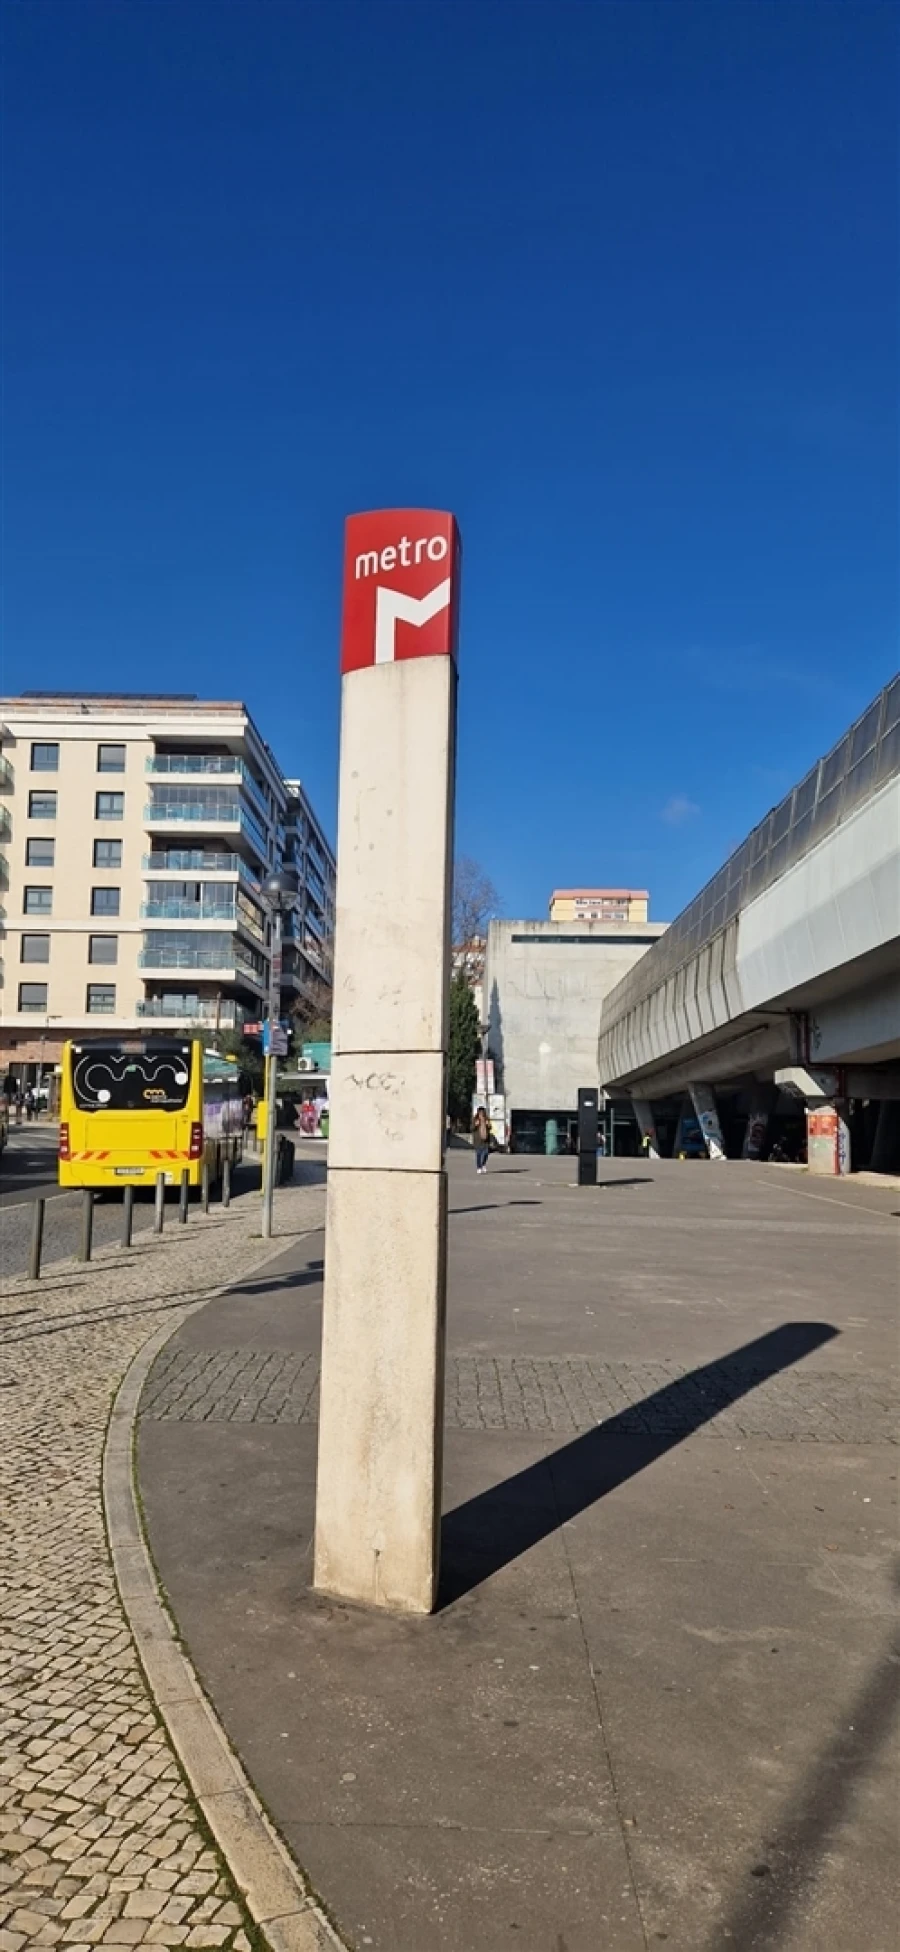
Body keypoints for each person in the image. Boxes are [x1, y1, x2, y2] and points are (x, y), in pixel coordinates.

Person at [473, 1104, 491, 1174]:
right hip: (478, 1140)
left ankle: (483, 1164)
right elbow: (471, 1128)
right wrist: (475, 1125)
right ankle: (479, 1167)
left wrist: (488, 1125)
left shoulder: (487, 1119)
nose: (481, 1113)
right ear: (478, 1112)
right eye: (480, 1112)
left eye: (483, 1112)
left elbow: (490, 1128)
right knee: (478, 1154)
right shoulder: (475, 1119)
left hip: (486, 1139)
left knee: (486, 1153)